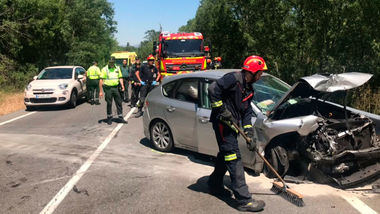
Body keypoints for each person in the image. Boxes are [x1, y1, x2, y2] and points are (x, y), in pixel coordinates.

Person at [207, 55, 267, 212]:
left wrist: (249, 133)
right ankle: (244, 200)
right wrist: (221, 109)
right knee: (234, 157)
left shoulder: (249, 89)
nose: (261, 76)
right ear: (253, 72)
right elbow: (213, 89)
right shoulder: (233, 79)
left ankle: (214, 184)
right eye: (260, 73)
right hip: (222, 124)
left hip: (232, 126)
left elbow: (246, 112)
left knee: (225, 154)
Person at [99, 58, 127, 125]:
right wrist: (100, 91)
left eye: (113, 62)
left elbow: (120, 77)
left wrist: (122, 85)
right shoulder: (104, 69)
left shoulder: (117, 68)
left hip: (116, 88)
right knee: (109, 103)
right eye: (110, 62)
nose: (111, 63)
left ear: (114, 62)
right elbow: (101, 80)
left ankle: (120, 117)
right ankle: (109, 118)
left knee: (119, 102)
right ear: (108, 62)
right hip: (108, 88)